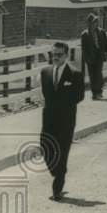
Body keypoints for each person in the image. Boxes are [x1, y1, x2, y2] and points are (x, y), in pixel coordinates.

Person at [40, 41, 85, 200]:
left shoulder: (75, 74)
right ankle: (59, 171)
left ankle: (57, 188)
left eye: (59, 55)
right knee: (45, 148)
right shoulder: (45, 72)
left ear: (66, 56)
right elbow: (46, 93)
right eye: (54, 54)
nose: (56, 57)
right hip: (49, 118)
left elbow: (80, 95)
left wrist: (63, 104)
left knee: (62, 152)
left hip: (66, 119)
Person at [79, 14, 107, 100]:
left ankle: (99, 92)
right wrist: (87, 59)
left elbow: (106, 43)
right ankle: (94, 93)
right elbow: (84, 48)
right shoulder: (84, 34)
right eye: (93, 22)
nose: (95, 24)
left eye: (96, 22)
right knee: (92, 75)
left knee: (98, 74)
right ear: (89, 23)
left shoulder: (101, 31)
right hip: (90, 57)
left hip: (99, 55)